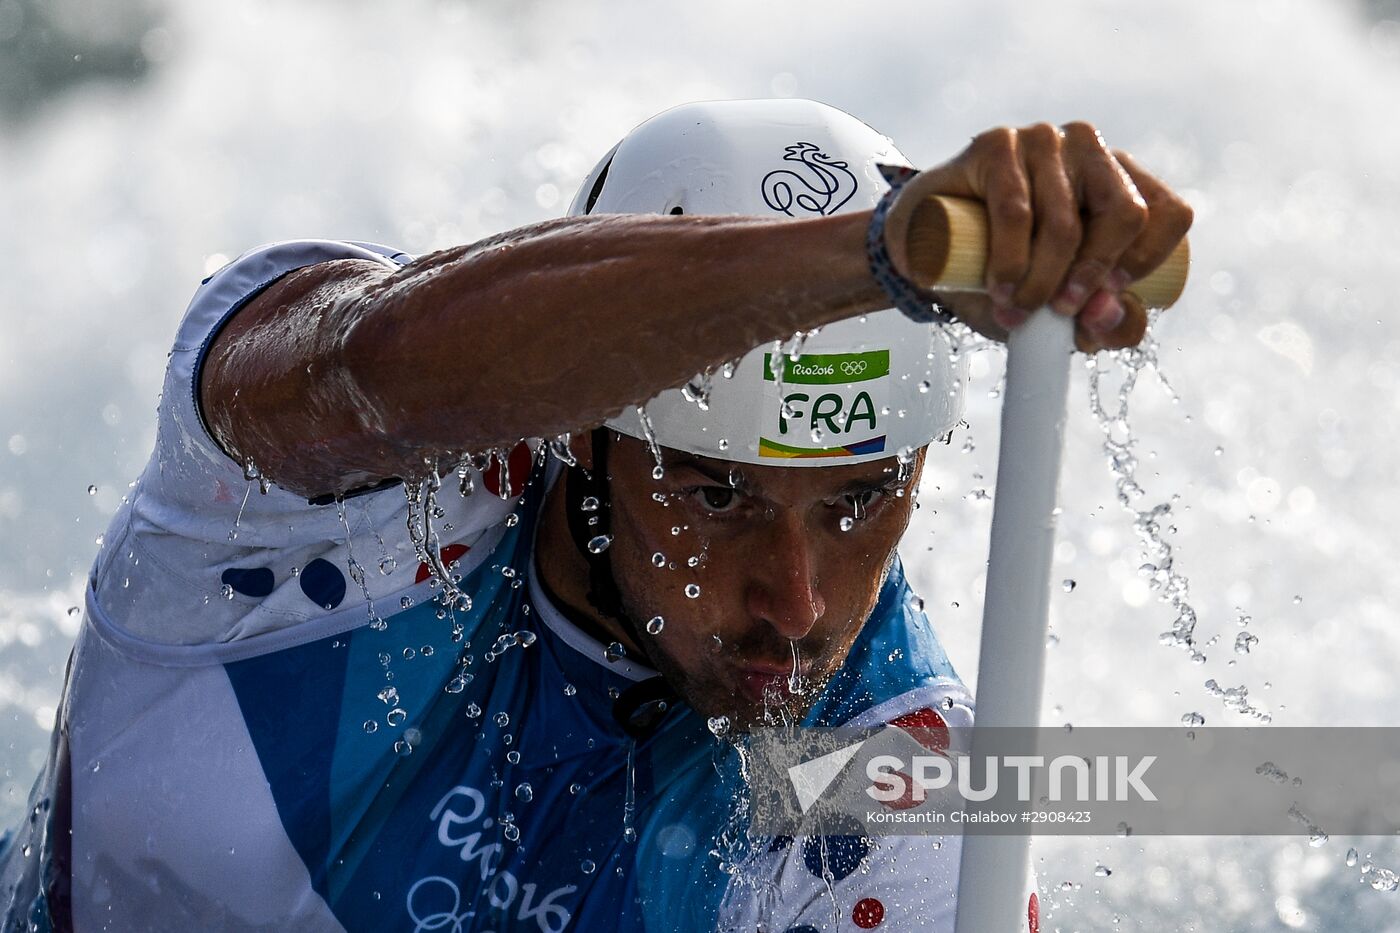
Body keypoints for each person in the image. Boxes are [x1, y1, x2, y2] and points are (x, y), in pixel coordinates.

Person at [0, 98, 1191, 931]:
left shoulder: (897, 783)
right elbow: (371, 361)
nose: (798, 602)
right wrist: (875, 253)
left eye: (858, 502)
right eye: (718, 496)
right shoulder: (316, 502)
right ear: (582, 434)